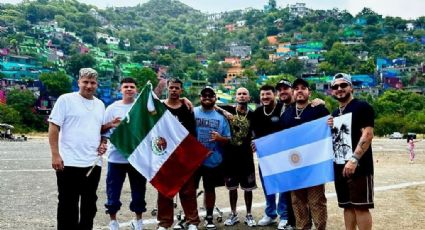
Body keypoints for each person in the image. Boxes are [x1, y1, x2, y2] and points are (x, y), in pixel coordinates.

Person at [48, 68, 106, 230]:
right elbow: (54, 127)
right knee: (68, 203)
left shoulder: (100, 104)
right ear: (78, 82)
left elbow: (100, 130)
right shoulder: (65, 100)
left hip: (93, 163)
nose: (89, 86)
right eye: (85, 82)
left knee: (89, 204)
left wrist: (103, 142)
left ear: (97, 84)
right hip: (68, 162)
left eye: (92, 83)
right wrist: (55, 155)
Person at [280, 78, 329, 230]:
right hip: (294, 166)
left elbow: (330, 131)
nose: (299, 90)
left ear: (309, 92)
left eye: (303, 88)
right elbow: (280, 139)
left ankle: (320, 228)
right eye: (296, 88)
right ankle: (302, 227)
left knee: (316, 201)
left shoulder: (319, 110)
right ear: (293, 93)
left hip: (314, 166)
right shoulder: (287, 114)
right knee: (297, 202)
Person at [328, 73, 375, 230]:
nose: (339, 89)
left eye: (343, 85)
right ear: (332, 91)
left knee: (361, 206)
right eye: (335, 87)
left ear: (351, 87)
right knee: (347, 206)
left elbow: (367, 134)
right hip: (340, 166)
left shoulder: (362, 106)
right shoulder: (334, 114)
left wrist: (354, 159)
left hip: (359, 166)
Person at [101, 78, 147, 230]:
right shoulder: (112, 108)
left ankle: (138, 220)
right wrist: (103, 141)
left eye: (132, 87)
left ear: (136, 90)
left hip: (137, 158)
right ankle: (113, 221)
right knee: (113, 191)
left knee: (139, 191)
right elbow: (104, 131)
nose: (129, 89)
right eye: (126, 87)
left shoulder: (142, 107)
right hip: (116, 158)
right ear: (120, 90)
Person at [156, 78, 200, 230]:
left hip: (184, 155)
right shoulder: (160, 107)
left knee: (188, 191)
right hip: (164, 155)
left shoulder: (187, 108)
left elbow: (193, 133)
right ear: (168, 88)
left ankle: (192, 221)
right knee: (164, 190)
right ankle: (164, 223)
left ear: (181, 90)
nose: (174, 90)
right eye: (171, 87)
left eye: (177, 88)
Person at [251, 85, 292, 230]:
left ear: (274, 95)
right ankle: (270, 213)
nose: (265, 97)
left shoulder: (284, 109)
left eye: (268, 94)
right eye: (262, 95)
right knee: (268, 186)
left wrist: (318, 101)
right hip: (265, 156)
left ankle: (284, 215)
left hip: (282, 155)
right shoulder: (256, 112)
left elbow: (304, 105)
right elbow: (252, 133)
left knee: (283, 186)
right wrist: (253, 141)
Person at [215, 87, 257, 227]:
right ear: (235, 96)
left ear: (249, 97)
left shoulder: (253, 114)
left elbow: (258, 132)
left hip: (246, 156)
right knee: (232, 188)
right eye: (239, 94)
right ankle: (233, 214)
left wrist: (255, 141)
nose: (242, 96)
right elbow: (212, 105)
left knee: (248, 188)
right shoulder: (228, 109)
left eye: (245, 94)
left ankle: (249, 214)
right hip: (230, 156)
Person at [194, 86, 231, 230]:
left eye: (210, 95)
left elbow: (228, 139)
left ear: (215, 98)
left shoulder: (221, 117)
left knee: (210, 189)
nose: (207, 97)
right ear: (200, 97)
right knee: (190, 189)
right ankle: (191, 217)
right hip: (194, 160)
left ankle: (209, 217)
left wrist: (220, 138)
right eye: (204, 95)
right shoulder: (193, 112)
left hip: (212, 159)